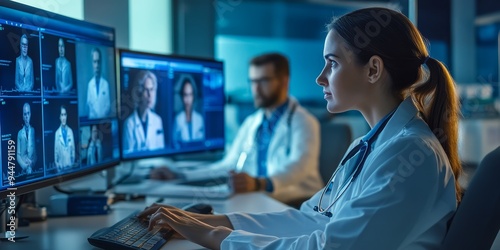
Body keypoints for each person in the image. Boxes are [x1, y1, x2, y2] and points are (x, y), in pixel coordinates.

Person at [139, 8, 463, 249]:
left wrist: (215, 236)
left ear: (374, 69)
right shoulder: (370, 146)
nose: (320, 78)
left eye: (332, 63)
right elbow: (310, 219)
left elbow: (330, 247)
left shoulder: (410, 152)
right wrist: (204, 221)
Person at [151, 53, 322, 204]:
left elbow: (299, 167)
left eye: (263, 81)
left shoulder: (304, 121)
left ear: (284, 81)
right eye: (253, 81)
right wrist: (179, 174)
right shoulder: (252, 123)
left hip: (297, 203)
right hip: (261, 200)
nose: (256, 89)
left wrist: (258, 183)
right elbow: (229, 164)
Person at [122, 70, 165, 153]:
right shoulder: (129, 124)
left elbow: (161, 150)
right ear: (139, 92)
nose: (150, 95)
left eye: (152, 90)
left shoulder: (157, 121)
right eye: (146, 90)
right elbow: (128, 156)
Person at [172, 74, 205, 144]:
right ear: (182, 96)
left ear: (193, 96)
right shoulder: (178, 119)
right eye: (185, 95)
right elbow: (174, 143)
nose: (188, 100)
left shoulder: (199, 119)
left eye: (190, 95)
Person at [86, 47, 110, 119]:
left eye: (98, 62)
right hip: (92, 121)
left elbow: (108, 106)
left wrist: (101, 116)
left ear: (101, 63)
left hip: (103, 122)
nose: (96, 65)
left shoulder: (105, 84)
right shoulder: (90, 85)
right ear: (92, 63)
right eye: (94, 62)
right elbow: (88, 105)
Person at [17, 103, 36, 174]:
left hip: (32, 169)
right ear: (23, 116)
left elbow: (36, 154)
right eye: (25, 114)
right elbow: (18, 156)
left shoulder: (33, 131)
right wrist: (25, 166)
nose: (27, 116)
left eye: (28, 113)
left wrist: (32, 164)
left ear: (30, 114)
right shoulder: (19, 133)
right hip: (23, 170)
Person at [54, 105, 75, 171]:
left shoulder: (70, 131)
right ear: (59, 117)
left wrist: (72, 164)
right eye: (62, 115)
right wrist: (58, 167)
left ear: (67, 116)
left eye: (65, 115)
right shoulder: (57, 133)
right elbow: (56, 152)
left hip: (70, 168)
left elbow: (73, 150)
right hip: (61, 169)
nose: (63, 117)